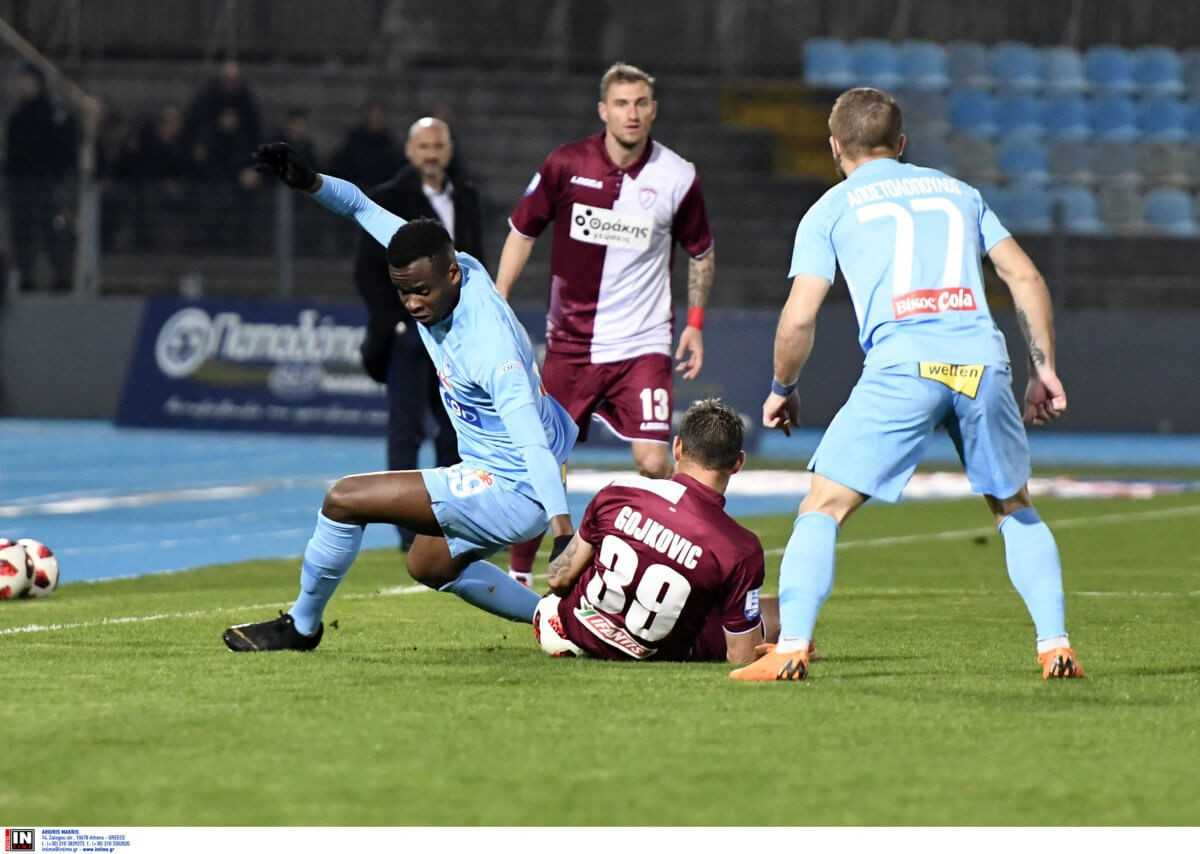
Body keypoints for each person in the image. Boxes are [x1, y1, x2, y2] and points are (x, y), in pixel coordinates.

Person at [731, 87, 1084, 683]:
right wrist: (1042, 367)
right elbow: (1024, 276)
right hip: (980, 363)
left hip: (906, 366)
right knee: (1014, 505)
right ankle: (1055, 646)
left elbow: (799, 317)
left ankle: (790, 649)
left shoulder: (830, 208)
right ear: (901, 143)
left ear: (834, 146)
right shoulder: (959, 193)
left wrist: (781, 385)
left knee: (822, 506)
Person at [223, 143, 578, 652]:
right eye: (402, 292)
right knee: (428, 564)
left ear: (452, 275)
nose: (412, 303)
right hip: (502, 466)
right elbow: (360, 206)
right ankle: (558, 619)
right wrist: (311, 183)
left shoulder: (489, 347)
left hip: (515, 484)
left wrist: (562, 533)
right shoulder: (435, 261)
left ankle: (301, 626)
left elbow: (530, 444)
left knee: (343, 499)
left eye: (421, 292)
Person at [496, 62, 716, 587]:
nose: (631, 113)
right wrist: (499, 301)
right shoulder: (565, 164)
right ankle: (520, 576)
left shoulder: (677, 176)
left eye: (640, 103)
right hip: (570, 345)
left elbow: (701, 252)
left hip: (643, 344)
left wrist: (694, 323)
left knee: (655, 462)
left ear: (654, 110)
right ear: (603, 111)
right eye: (621, 104)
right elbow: (522, 231)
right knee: (541, 459)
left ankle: (667, 568)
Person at [533, 399, 770, 664]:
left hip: (580, 629)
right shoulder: (740, 547)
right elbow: (742, 655)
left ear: (677, 447)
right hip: (662, 650)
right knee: (762, 615)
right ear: (738, 463)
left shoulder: (619, 491)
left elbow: (559, 579)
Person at [354, 117, 486, 550]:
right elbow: (367, 271)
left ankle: (454, 521)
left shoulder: (466, 195)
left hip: (454, 336)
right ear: (410, 152)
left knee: (458, 429)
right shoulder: (387, 199)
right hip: (407, 337)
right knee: (405, 431)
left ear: (449, 150)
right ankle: (407, 531)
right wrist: (398, 321)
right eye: (424, 147)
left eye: (438, 146)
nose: (431, 154)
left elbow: (475, 261)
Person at [5, 64, 77, 292]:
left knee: (52, 232)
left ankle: (62, 277)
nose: (21, 85)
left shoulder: (52, 113)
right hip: (20, 185)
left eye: (25, 80)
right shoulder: (17, 115)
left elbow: (64, 149)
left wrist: (58, 176)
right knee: (23, 233)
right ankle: (25, 277)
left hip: (46, 183)